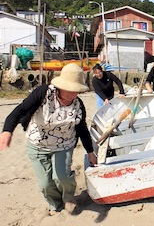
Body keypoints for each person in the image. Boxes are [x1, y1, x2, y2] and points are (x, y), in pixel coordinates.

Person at [0, 63, 97, 216]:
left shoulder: (78, 105)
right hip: (37, 144)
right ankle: (56, 204)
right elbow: (20, 111)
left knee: (62, 177)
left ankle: (68, 198)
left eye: (76, 90)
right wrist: (7, 131)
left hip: (64, 145)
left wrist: (90, 151)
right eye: (70, 89)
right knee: (46, 183)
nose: (73, 94)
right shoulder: (43, 94)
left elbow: (82, 129)